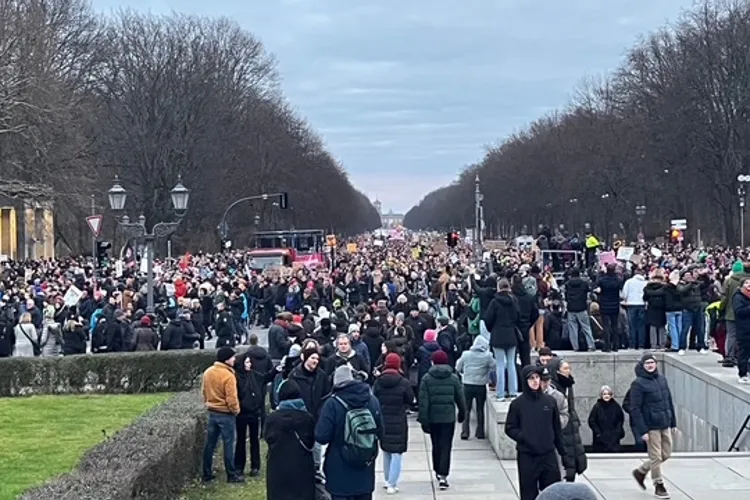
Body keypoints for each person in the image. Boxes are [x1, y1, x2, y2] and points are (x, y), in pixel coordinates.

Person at [316, 364, 383, 500]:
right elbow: (381, 431)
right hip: (365, 465)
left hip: (339, 468)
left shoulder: (332, 404)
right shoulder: (372, 400)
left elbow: (322, 436)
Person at [504, 365, 567, 500]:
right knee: (528, 494)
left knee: (552, 493)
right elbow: (510, 427)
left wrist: (564, 453)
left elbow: (556, 429)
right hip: (528, 455)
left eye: (537, 378)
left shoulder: (549, 402)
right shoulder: (517, 404)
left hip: (548, 454)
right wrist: (523, 437)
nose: (535, 381)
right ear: (525, 381)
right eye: (531, 378)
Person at [629, 353, 677, 499]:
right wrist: (642, 430)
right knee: (655, 456)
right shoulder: (638, 384)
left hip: (664, 422)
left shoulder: (662, 379)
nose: (650, 365)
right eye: (647, 363)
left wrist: (673, 422)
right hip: (651, 425)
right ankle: (658, 484)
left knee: (666, 454)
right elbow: (635, 408)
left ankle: (641, 471)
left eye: (652, 363)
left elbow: (668, 400)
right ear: (642, 366)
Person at [417, 350, 466, 490]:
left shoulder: (426, 378)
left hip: (433, 418)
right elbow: (460, 398)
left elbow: (423, 401)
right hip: (448, 418)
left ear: (432, 362)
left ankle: (437, 470)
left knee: (436, 445)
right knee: (446, 446)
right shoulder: (453, 378)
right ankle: (443, 474)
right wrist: (462, 413)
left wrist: (423, 420)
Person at [264, 379, 317, 500]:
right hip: (302, 468)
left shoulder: (272, 419)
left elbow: (268, 438)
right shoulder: (307, 418)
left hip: (277, 468)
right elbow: (312, 442)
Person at [373, 352, 414, 494]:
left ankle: (387, 479)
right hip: (398, 420)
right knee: (397, 452)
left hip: (383, 419)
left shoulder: (379, 381)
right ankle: (392, 482)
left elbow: (374, 398)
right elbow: (410, 399)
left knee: (386, 451)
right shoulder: (403, 382)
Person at [201, 346, 243, 483]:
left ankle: (206, 473)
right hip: (226, 414)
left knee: (210, 444)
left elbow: (204, 391)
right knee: (229, 444)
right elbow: (232, 398)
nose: (234, 359)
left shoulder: (208, 372)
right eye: (232, 357)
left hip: (212, 412)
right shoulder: (228, 376)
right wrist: (236, 411)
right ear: (226, 359)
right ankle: (231, 474)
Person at [547, 358, 587, 482]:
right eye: (565, 368)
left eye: (569, 368)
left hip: (571, 424)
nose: (568, 371)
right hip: (561, 427)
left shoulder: (568, 384)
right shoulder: (553, 389)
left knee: (573, 456)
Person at [483, 278, 522, 401]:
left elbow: (487, 319)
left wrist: (492, 329)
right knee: (511, 363)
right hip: (511, 334)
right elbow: (518, 317)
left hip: (498, 334)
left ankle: (500, 393)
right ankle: (513, 391)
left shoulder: (494, 302)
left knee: (500, 364)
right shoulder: (514, 301)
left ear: (498, 287)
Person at [455, 334, 494, 440]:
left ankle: (465, 432)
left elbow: (458, 367)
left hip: (467, 384)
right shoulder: (488, 356)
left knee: (466, 409)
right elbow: (494, 367)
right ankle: (480, 432)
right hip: (481, 385)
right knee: (480, 409)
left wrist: (464, 372)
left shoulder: (466, 354)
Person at [587, 385, 625, 452]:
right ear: (601, 395)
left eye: (608, 394)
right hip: (600, 441)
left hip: (614, 440)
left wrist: (618, 431)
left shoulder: (616, 406)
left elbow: (620, 419)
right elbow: (592, 421)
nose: (606, 396)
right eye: (604, 394)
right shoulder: (597, 407)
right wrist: (598, 433)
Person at [731, 277, 750, 384]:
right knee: (743, 352)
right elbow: (739, 311)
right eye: (747, 283)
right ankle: (742, 373)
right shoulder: (738, 297)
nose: (749, 285)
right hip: (743, 329)